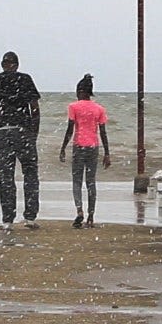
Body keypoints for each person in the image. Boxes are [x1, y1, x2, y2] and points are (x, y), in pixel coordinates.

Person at [0, 51, 43, 226]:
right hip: (23, 132)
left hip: (2, 132)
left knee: (6, 177)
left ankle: (8, 219)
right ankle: (30, 217)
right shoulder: (25, 79)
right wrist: (33, 133)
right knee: (30, 173)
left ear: (2, 64)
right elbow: (35, 109)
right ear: (17, 65)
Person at [61, 74, 110, 227]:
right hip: (93, 147)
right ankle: (91, 216)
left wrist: (63, 148)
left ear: (80, 91)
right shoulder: (99, 109)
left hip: (78, 146)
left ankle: (79, 211)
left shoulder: (73, 107)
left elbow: (70, 129)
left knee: (77, 181)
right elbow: (103, 132)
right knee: (91, 182)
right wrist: (107, 153)